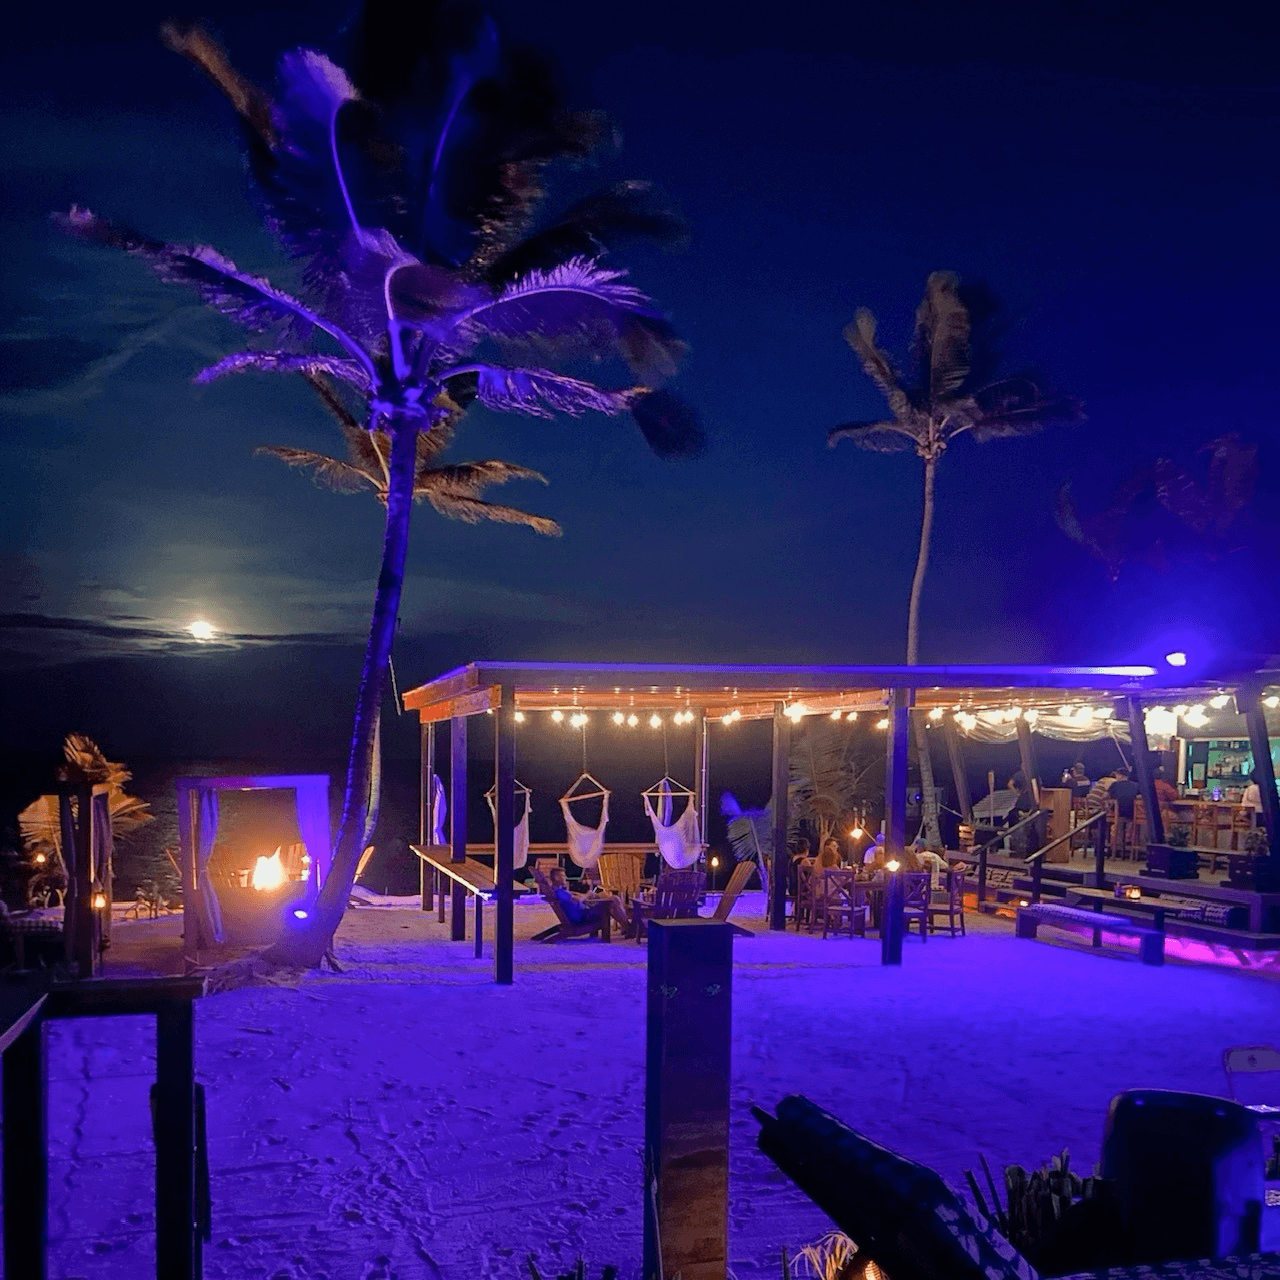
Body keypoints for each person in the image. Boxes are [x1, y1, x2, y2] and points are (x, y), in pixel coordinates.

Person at [546, 867, 631, 935]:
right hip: (583, 917)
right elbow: (580, 899)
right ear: (556, 878)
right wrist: (588, 894)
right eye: (563, 876)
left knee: (605, 898)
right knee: (614, 900)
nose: (566, 878)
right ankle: (628, 927)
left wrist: (586, 895)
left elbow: (573, 896)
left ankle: (626, 927)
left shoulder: (557, 891)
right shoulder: (559, 892)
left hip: (582, 914)